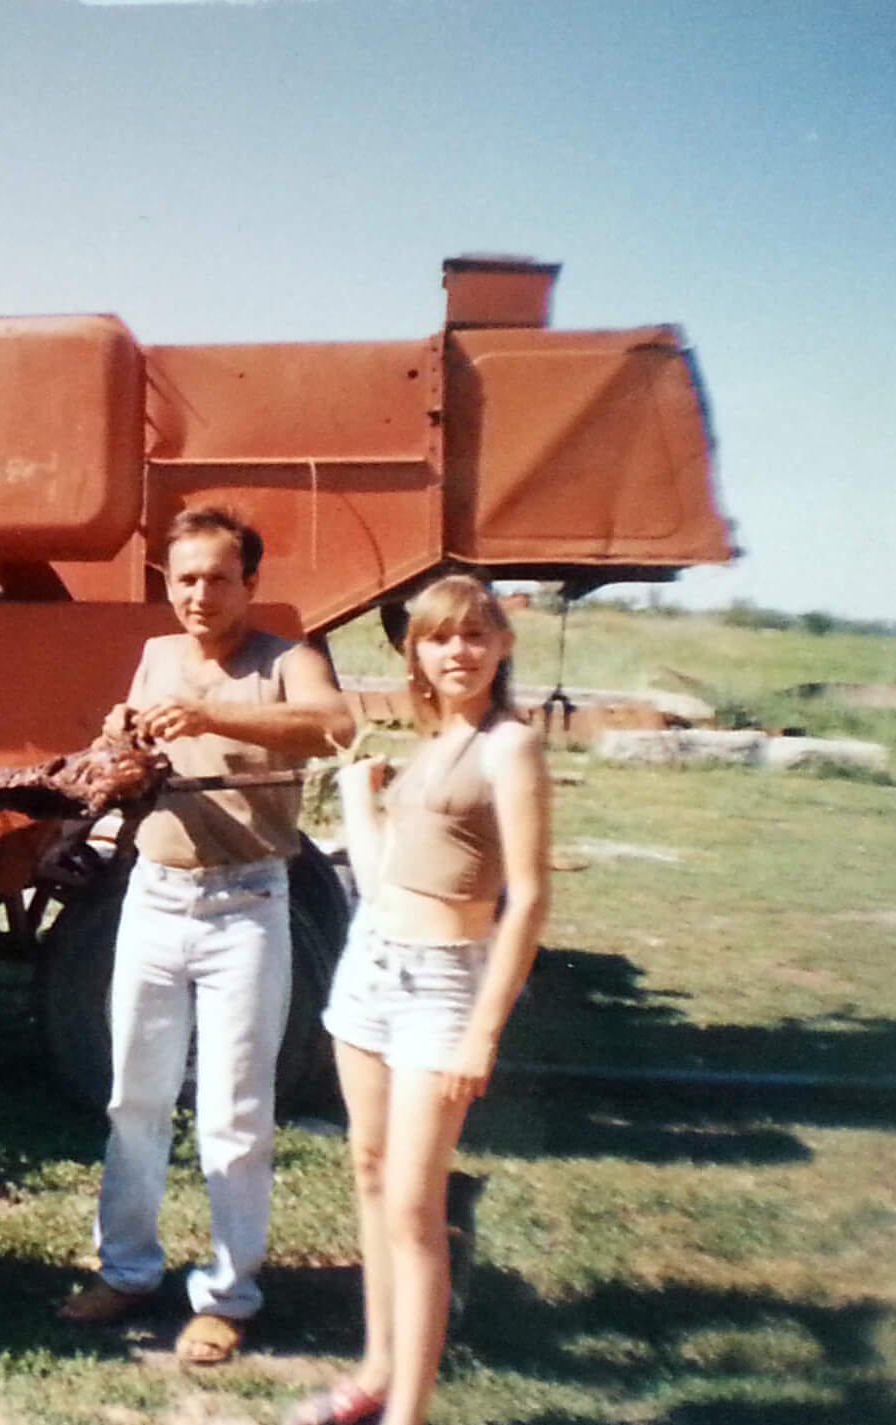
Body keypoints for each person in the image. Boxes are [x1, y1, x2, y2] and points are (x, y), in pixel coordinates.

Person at [58, 505, 353, 1365]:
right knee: (135, 1097)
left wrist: (211, 717)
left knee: (234, 1110)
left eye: (218, 577)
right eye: (184, 577)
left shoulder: (286, 657)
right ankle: (127, 1270)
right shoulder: (156, 655)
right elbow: (140, 740)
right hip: (153, 896)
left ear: (249, 584)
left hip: (249, 903)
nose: (198, 593)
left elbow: (333, 726)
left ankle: (228, 1294)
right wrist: (120, 739)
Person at [283, 576, 549, 1425]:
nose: (458, 651)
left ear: (501, 646)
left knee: (413, 1203)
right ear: (418, 655)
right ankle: (374, 1373)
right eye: (439, 639)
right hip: (370, 969)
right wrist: (362, 804)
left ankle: (410, 1413)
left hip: (442, 985)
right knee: (368, 1174)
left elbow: (532, 897)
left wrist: (483, 1032)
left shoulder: (511, 747)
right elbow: (392, 871)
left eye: (474, 636)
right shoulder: (435, 739)